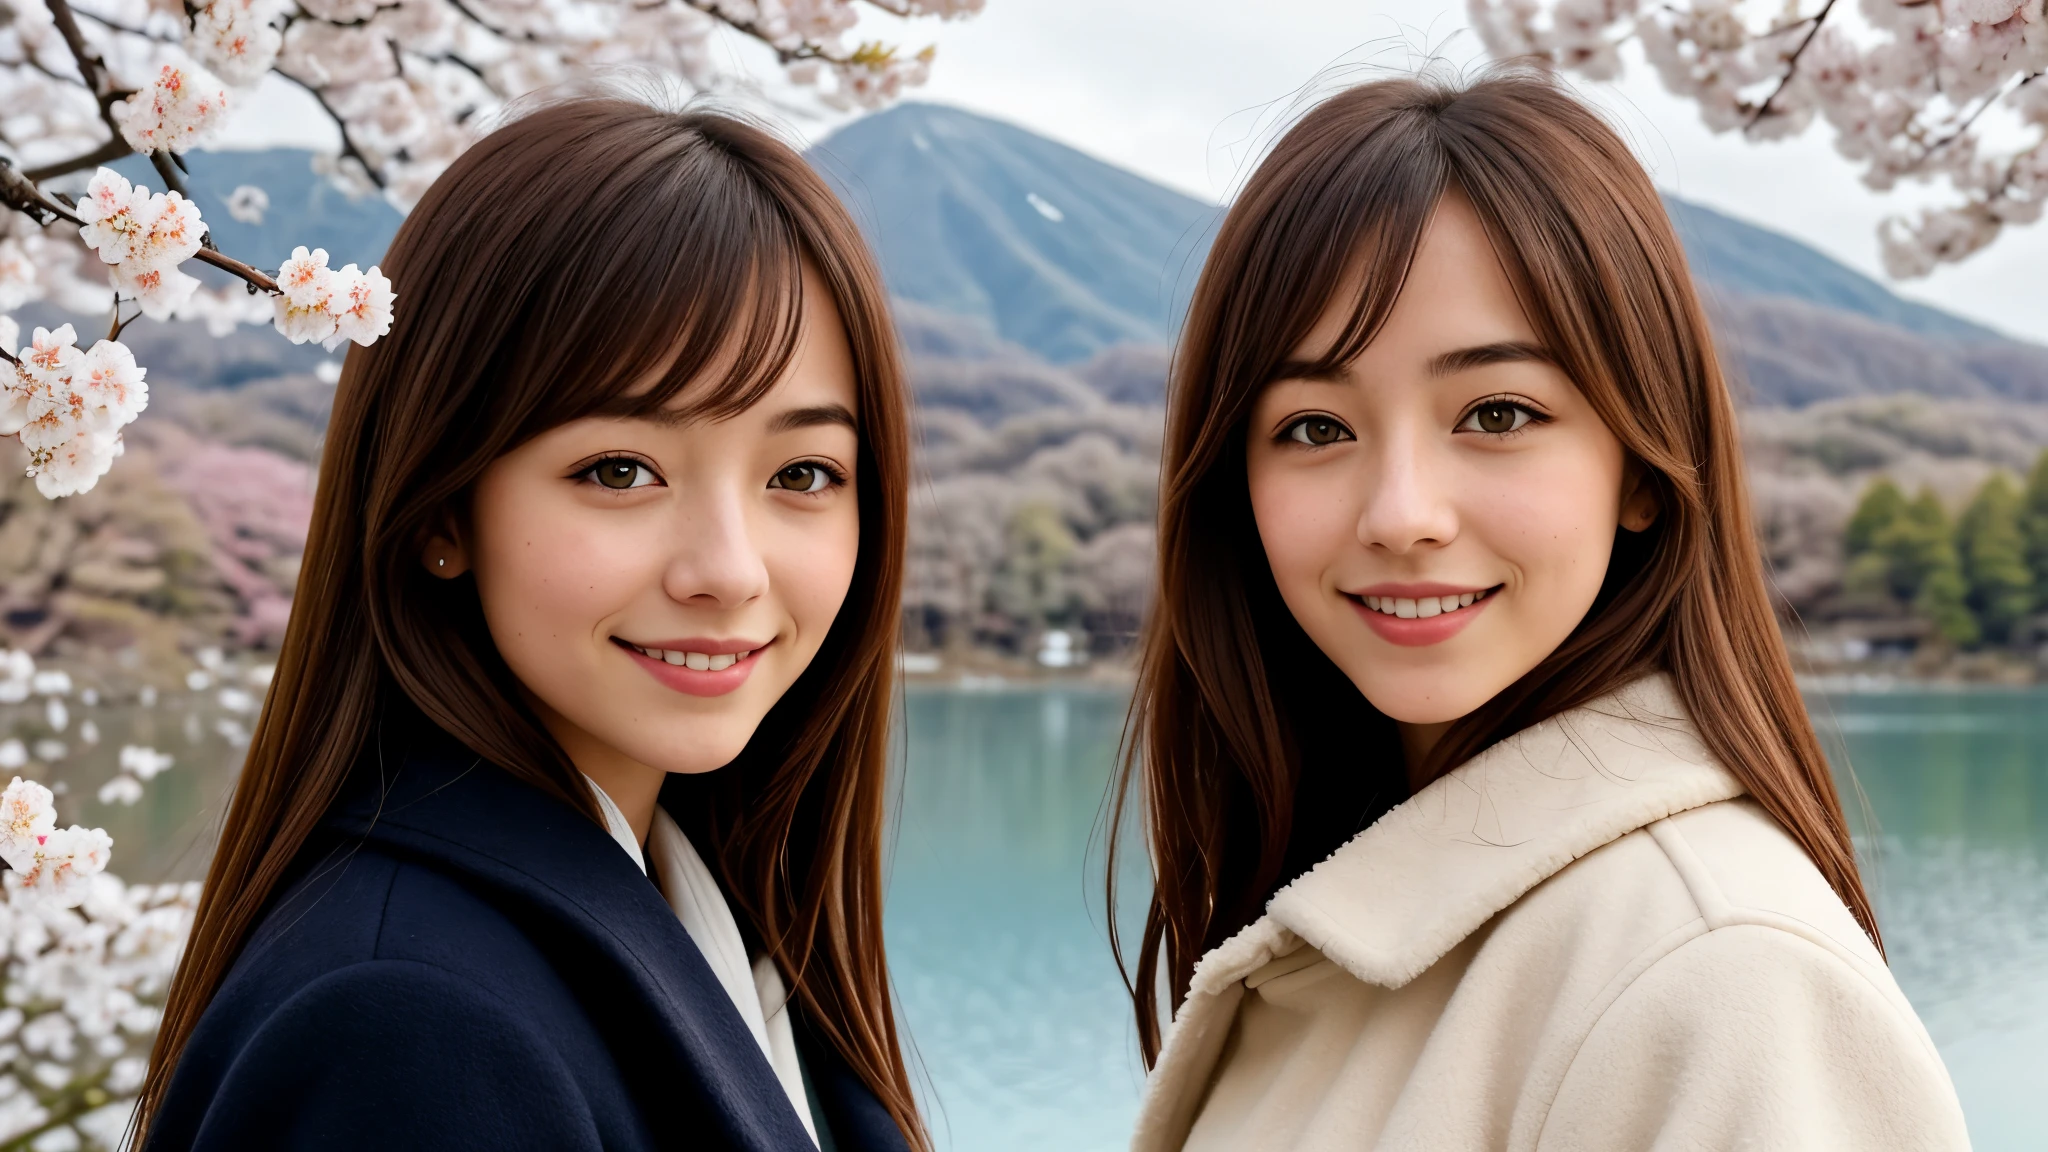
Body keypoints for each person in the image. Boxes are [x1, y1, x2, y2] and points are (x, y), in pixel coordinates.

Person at [1113, 69, 1969, 1151]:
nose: (1401, 515)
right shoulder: (1372, 908)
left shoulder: (1721, 976)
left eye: (1496, 412)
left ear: (1643, 467)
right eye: (1315, 428)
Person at [137, 98, 925, 1152]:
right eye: (619, 470)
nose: (728, 572)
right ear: (442, 511)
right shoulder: (407, 1027)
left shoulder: (722, 913)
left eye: (802, 473)